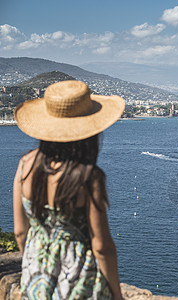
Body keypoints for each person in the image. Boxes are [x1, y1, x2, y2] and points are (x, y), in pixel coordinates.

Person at [13, 80, 125, 299]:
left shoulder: (25, 164)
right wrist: (117, 295)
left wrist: (34, 264)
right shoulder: (88, 177)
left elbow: (20, 231)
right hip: (80, 283)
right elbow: (102, 247)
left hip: (35, 279)